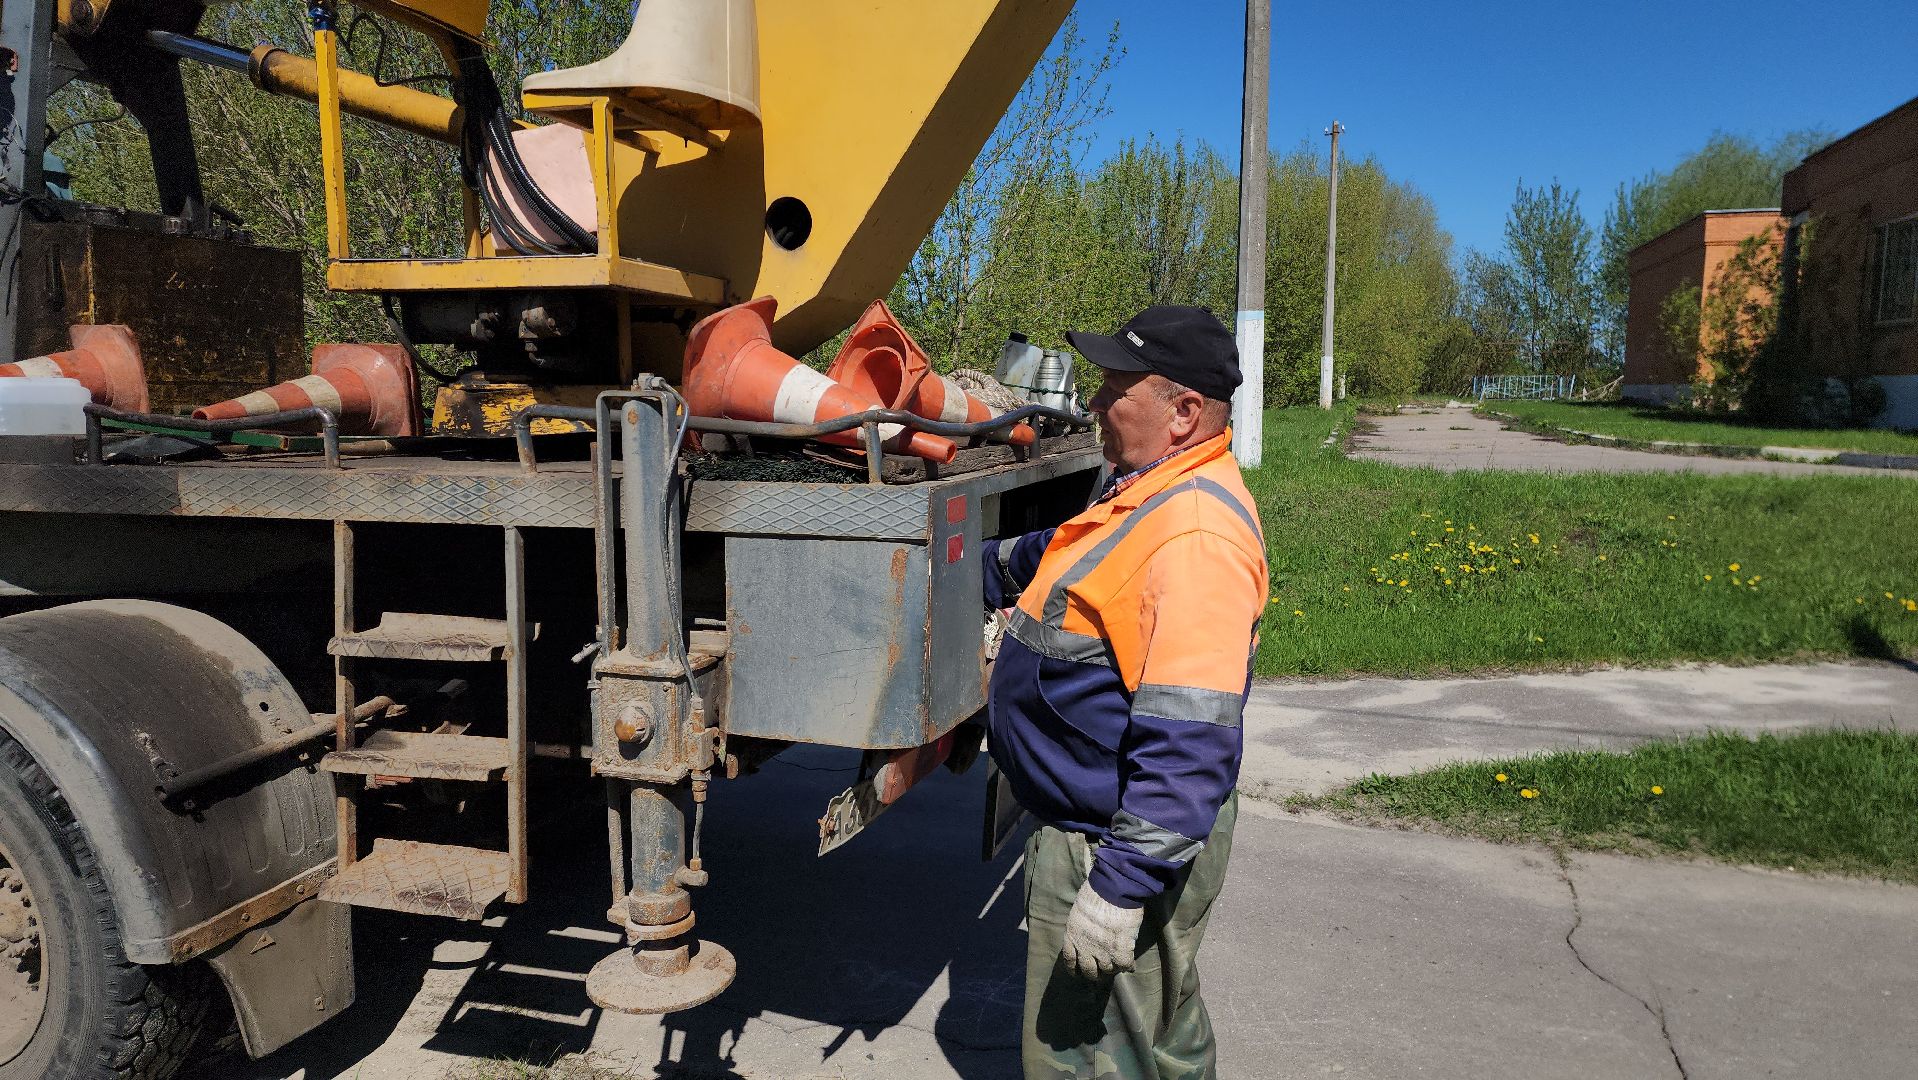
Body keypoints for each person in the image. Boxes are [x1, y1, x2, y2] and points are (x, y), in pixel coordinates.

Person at [982, 305, 1267, 1079]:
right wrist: (990, 565)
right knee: (1155, 1040)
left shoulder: (1197, 538)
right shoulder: (1151, 492)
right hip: (1109, 824)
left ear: (1182, 412)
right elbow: (1074, 552)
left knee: (1091, 1059)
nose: (1096, 403)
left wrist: (1118, 888)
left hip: (1113, 837)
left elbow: (1192, 741)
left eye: (1116, 387)